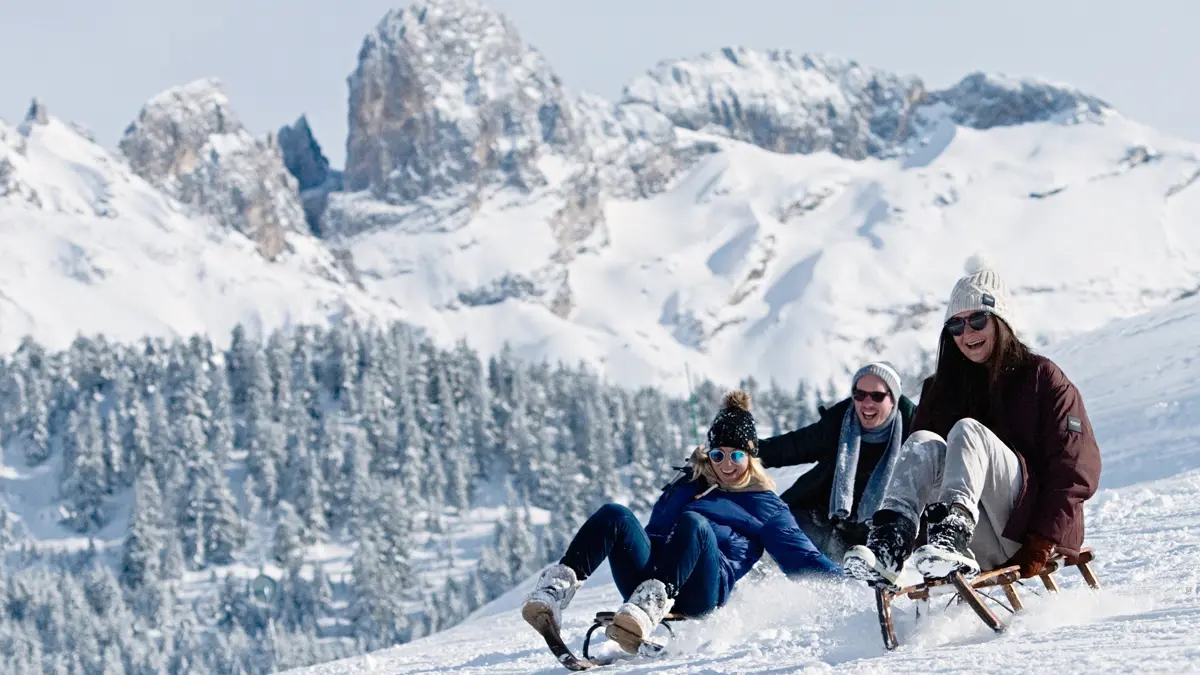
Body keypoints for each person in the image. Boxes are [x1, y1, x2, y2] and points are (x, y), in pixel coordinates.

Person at [842, 261, 1102, 588]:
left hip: (1026, 533)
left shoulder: (1041, 377)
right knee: (923, 440)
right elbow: (924, 475)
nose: (966, 334)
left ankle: (954, 533)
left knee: (967, 431)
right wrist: (924, 541)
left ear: (1001, 322)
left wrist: (1043, 539)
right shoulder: (940, 390)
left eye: (977, 320)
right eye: (956, 326)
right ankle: (890, 545)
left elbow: (1075, 467)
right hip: (969, 543)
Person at [522, 390, 841, 653]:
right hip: (644, 581)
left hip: (702, 592)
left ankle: (650, 605)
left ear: (751, 457)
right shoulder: (687, 483)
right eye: (719, 455)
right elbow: (652, 535)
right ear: (708, 454)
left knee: (694, 523)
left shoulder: (766, 506)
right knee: (614, 514)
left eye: (737, 456)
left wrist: (856, 584)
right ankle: (554, 592)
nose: (727, 465)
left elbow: (805, 560)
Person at [756, 362, 917, 562]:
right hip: (822, 522)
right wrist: (740, 450)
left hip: (878, 535)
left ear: (893, 398)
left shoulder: (913, 434)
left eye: (877, 396)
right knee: (779, 532)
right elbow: (792, 447)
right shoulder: (839, 423)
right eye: (859, 395)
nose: (866, 403)